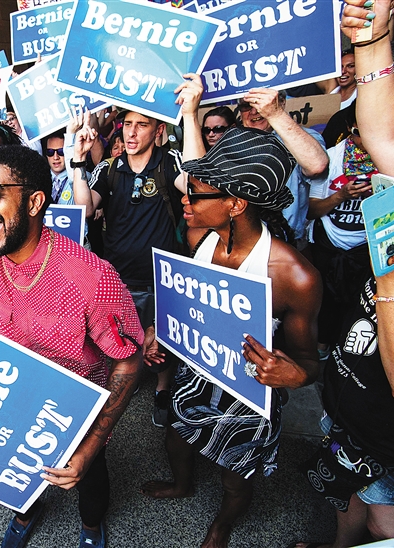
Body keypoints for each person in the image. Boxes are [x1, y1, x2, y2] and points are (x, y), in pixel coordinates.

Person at [0, 145, 143, 548]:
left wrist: (91, 446)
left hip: (75, 411)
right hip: (7, 397)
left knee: (88, 481)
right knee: (9, 468)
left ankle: (91, 528)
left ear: (33, 202)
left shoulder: (92, 278)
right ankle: (24, 512)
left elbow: (128, 363)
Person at [140, 127, 321, 548]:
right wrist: (157, 330)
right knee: (176, 437)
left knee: (236, 475)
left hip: (248, 396)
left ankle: (222, 525)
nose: (185, 199)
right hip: (195, 376)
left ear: (236, 204)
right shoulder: (197, 238)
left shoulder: (295, 277)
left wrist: (293, 375)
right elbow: (180, 301)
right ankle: (182, 483)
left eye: (196, 193)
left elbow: (309, 364)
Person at [288, 2, 394, 546]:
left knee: (386, 526)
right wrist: (373, 37)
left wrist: (393, 284)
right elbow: (390, 138)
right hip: (348, 411)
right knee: (346, 505)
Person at [72, 106, 184, 427]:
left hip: (160, 279)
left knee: (161, 342)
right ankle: (130, 377)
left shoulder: (169, 162)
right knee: (124, 338)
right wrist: (78, 161)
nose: (131, 132)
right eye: (127, 124)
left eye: (142, 125)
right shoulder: (109, 168)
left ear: (158, 130)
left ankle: (163, 389)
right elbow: (85, 208)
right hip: (118, 279)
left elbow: (192, 184)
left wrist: (189, 115)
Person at [307, 104, 375, 353]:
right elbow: (312, 210)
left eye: (370, 132)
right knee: (326, 305)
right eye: (358, 133)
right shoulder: (330, 158)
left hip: (367, 247)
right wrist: (341, 196)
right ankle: (322, 351)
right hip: (330, 246)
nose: (363, 141)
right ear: (348, 128)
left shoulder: (390, 158)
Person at [236, 88, 329, 249]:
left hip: (287, 243)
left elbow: (317, 167)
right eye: (246, 105)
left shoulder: (303, 138)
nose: (254, 111)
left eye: (260, 102)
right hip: (242, 244)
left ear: (282, 102)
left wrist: (275, 114)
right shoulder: (232, 142)